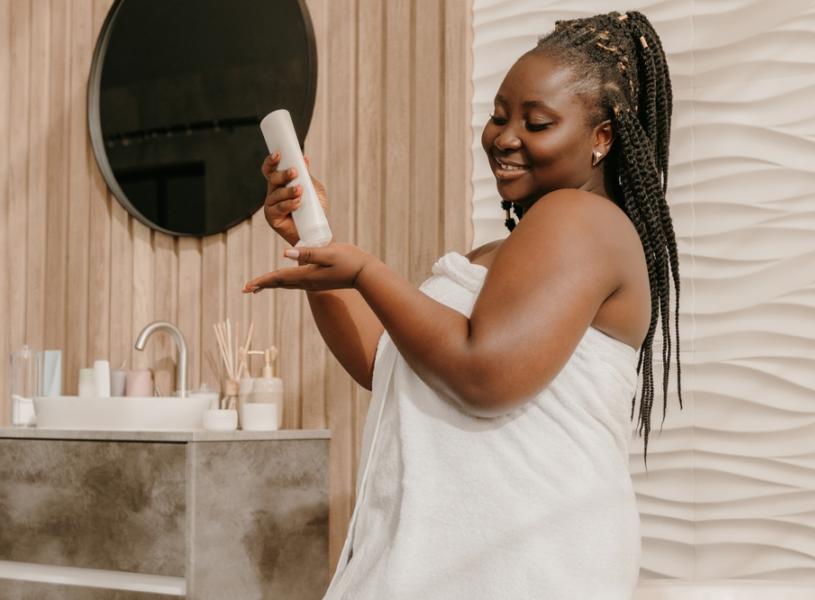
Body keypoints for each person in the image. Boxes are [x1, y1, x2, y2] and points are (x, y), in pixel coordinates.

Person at [245, 9, 681, 599]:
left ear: (601, 137)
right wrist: (313, 241)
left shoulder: (580, 220)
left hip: (524, 566)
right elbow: (384, 361)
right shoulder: (500, 251)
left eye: (538, 122)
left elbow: (484, 375)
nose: (505, 136)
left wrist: (369, 272)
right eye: (499, 115)